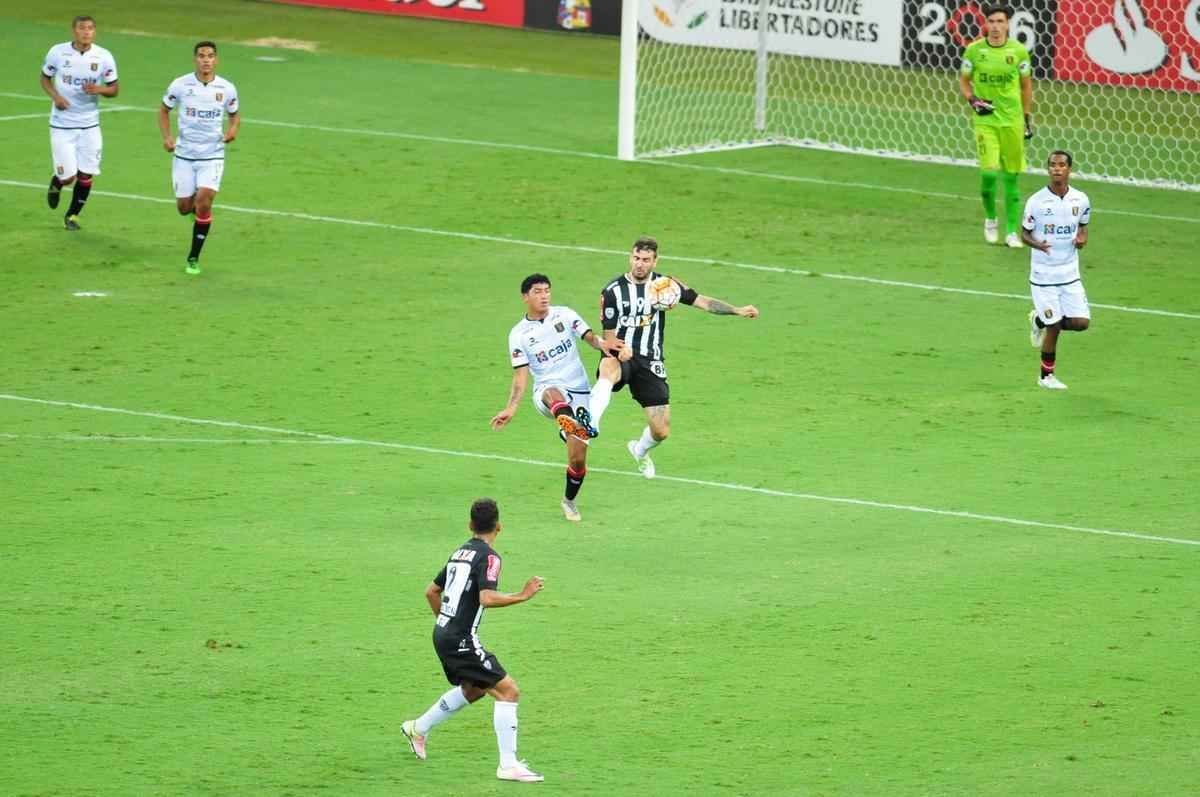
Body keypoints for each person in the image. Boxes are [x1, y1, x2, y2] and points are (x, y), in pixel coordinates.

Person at [401, 498, 546, 783]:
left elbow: (431, 591)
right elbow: (486, 598)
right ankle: (508, 765)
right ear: (499, 527)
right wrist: (523, 595)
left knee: (476, 689)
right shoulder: (490, 557)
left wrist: (445, 622)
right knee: (509, 692)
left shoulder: (459, 552)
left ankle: (417, 728)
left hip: (442, 632)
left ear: (470, 525)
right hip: (459, 638)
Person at [595, 237, 758, 479]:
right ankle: (590, 421)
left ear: (655, 261)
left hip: (651, 360)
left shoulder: (666, 286)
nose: (639, 264)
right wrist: (620, 349)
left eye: (645, 260)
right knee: (608, 368)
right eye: (636, 258)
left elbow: (702, 301)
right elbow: (608, 338)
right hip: (622, 353)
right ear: (631, 257)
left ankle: (639, 451)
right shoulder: (613, 291)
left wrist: (736, 310)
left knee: (661, 431)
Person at [490, 274, 626, 522]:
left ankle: (569, 500)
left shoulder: (564, 315)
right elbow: (520, 376)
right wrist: (511, 407)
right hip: (547, 392)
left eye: (547, 291)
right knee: (554, 394)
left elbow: (589, 337)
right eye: (538, 291)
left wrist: (603, 344)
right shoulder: (518, 335)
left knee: (577, 458)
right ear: (525, 297)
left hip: (580, 393)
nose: (544, 296)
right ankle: (568, 423)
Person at [157, 41, 240, 275]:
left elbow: (235, 116)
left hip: (212, 155)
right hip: (183, 155)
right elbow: (164, 110)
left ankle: (193, 257)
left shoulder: (227, 88)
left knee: (204, 201)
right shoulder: (180, 85)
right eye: (202, 56)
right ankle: (194, 212)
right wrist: (167, 137)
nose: (206, 60)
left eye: (210, 56)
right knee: (184, 208)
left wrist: (233, 131)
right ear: (195, 59)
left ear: (216, 60)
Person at [959, 4, 1034, 248]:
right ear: (985, 23)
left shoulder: (1019, 52)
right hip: (986, 121)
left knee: (1011, 179)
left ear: (1007, 23)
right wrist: (972, 99)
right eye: (991, 21)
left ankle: (1012, 231)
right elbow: (964, 80)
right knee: (989, 174)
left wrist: (1026, 117)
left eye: (1000, 21)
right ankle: (991, 218)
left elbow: (1025, 86)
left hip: (1012, 121)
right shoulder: (974, 51)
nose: (995, 26)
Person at [40, 15, 119, 231]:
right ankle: (58, 181)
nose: (86, 32)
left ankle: (72, 215)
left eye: (91, 28)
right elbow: (44, 78)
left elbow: (114, 89)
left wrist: (100, 89)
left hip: (90, 125)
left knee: (87, 173)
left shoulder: (103, 56)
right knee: (69, 177)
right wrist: (56, 97)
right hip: (62, 125)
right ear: (74, 30)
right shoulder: (57, 52)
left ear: (95, 32)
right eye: (82, 28)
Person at [1021, 150, 1091, 390]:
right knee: (1055, 326)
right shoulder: (1036, 201)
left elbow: (1083, 227)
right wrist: (1037, 245)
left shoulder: (1081, 199)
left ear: (1069, 169)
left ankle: (1038, 319)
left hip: (1070, 275)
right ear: (1048, 169)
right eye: (1052, 165)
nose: (1056, 169)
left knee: (1082, 323)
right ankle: (1045, 376)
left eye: (1061, 165)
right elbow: (1024, 234)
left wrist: (1082, 238)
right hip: (1044, 277)